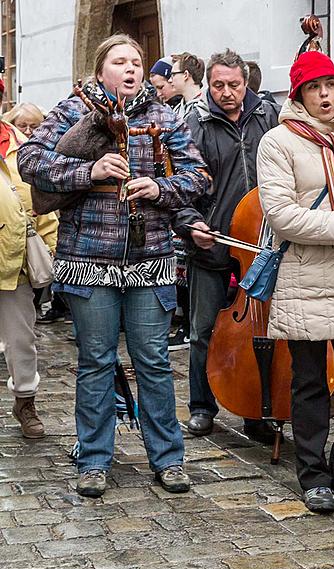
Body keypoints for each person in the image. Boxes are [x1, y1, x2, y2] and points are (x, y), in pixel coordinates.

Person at [18, 34, 209, 497]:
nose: (130, 68)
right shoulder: (71, 110)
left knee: (154, 362)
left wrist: (160, 189)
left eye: (137, 62)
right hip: (88, 261)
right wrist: (90, 172)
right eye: (119, 61)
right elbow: (29, 161)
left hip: (151, 261)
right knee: (96, 362)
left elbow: (198, 177)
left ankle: (168, 459)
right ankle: (94, 460)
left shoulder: (164, 117)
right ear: (101, 69)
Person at [256, 50, 334, 514]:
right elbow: (283, 217)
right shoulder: (278, 142)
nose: (325, 95)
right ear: (299, 95)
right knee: (309, 382)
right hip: (306, 277)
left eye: (330, 86)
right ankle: (313, 475)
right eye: (314, 88)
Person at [173, 49, 280, 441]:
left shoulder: (268, 114)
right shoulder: (195, 122)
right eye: (217, 85)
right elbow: (181, 185)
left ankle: (258, 409)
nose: (226, 92)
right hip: (213, 243)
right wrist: (190, 224)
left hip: (263, 244)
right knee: (203, 330)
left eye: (233, 85)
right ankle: (202, 406)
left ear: (246, 81)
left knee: (262, 331)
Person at [0, 113, 58, 439]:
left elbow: (42, 201)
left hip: (14, 259)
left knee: (21, 339)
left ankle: (25, 401)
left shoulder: (22, 146)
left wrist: (49, 246)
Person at [169, 52, 205, 120]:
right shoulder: (177, 110)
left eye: (173, 75)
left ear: (186, 75)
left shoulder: (204, 110)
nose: (170, 80)